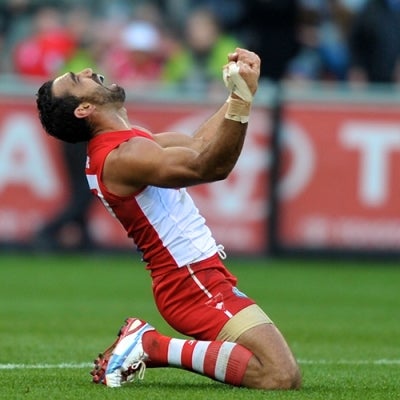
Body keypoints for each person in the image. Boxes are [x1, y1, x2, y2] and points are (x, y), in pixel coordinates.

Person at [36, 48, 301, 390]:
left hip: (193, 278)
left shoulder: (126, 144)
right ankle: (150, 345)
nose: (86, 70)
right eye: (76, 79)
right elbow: (209, 166)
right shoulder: (122, 157)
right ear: (84, 108)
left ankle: (151, 345)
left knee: (279, 371)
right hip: (190, 283)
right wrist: (243, 101)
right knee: (279, 375)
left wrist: (240, 91)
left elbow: (197, 144)